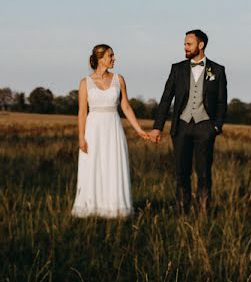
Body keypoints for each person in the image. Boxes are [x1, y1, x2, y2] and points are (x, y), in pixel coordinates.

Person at [148, 29, 227, 213]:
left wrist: (216, 126)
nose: (185, 47)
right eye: (184, 43)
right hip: (181, 127)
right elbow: (166, 99)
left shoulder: (218, 70)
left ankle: (203, 213)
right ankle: (181, 211)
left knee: (204, 173)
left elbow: (222, 101)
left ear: (201, 45)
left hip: (205, 127)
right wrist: (157, 128)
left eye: (188, 44)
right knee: (182, 173)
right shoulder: (177, 69)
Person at [72, 44, 150, 218]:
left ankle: (115, 207)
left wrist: (139, 129)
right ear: (100, 58)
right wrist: (81, 137)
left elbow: (126, 107)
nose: (114, 59)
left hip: (113, 128)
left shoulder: (118, 79)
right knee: (93, 166)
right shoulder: (85, 83)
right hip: (93, 130)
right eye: (110, 55)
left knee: (113, 165)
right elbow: (82, 111)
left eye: (113, 55)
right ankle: (92, 207)